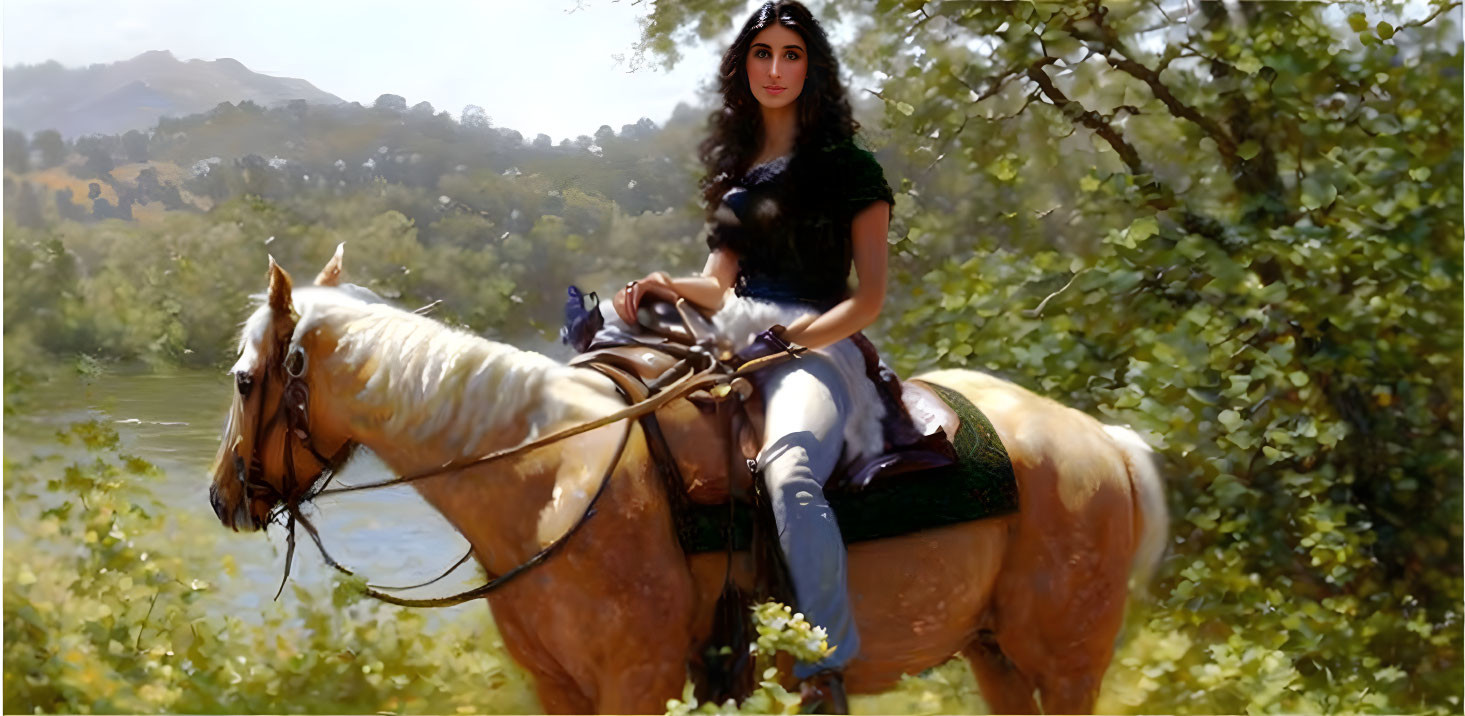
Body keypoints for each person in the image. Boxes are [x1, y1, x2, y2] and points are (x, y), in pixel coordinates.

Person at [607, 0, 894, 706]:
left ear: (812, 67)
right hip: (732, 340)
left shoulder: (850, 170)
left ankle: (824, 664)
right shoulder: (739, 183)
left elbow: (869, 299)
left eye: (790, 54)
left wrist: (792, 339)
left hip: (816, 346)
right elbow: (714, 286)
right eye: (761, 54)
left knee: (790, 471)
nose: (775, 68)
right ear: (743, 69)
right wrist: (658, 284)